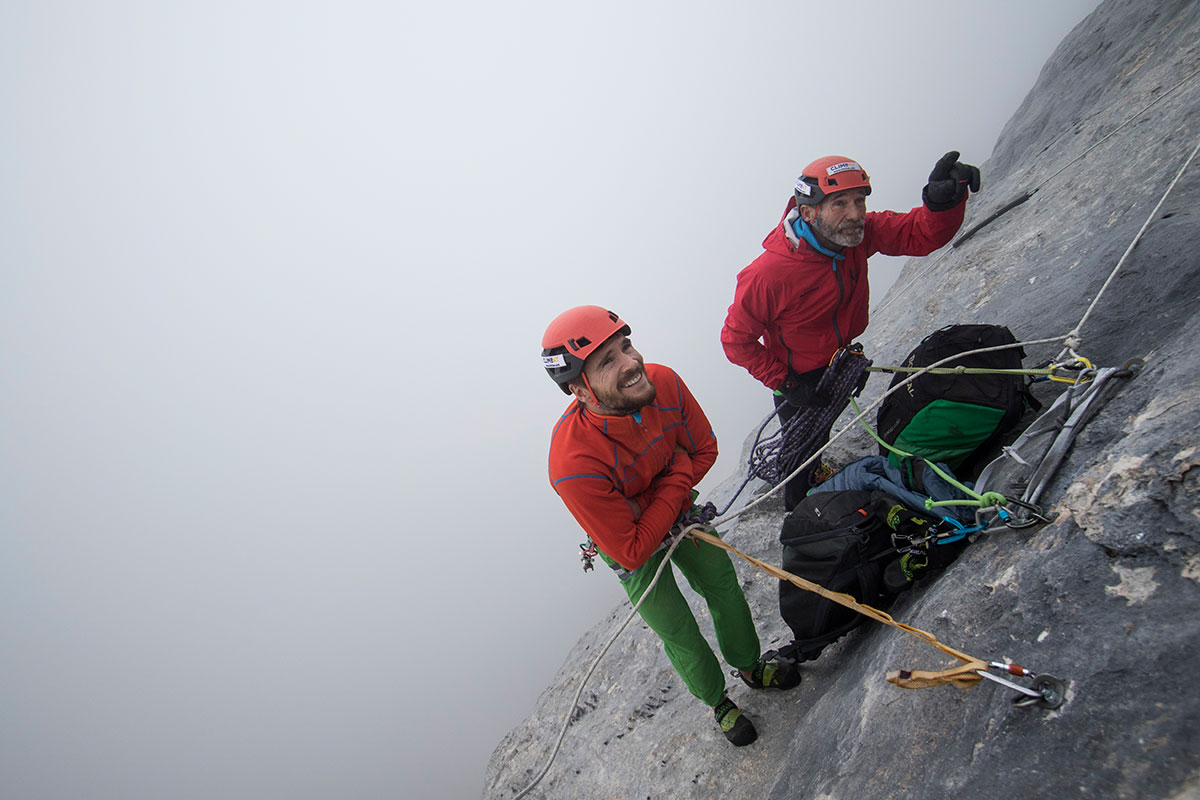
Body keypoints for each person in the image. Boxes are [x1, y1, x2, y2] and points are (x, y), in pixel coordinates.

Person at [542, 305, 799, 746]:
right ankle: (718, 701)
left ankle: (751, 666)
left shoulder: (663, 383)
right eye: (607, 361)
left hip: (674, 511)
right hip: (629, 534)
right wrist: (677, 477)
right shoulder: (572, 462)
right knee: (676, 626)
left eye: (626, 347)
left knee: (723, 586)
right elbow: (631, 550)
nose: (631, 364)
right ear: (579, 391)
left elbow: (705, 449)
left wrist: (674, 484)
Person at [721, 152, 981, 510]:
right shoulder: (771, 272)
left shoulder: (856, 236)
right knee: (801, 452)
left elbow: (918, 235)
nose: (855, 213)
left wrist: (943, 203)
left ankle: (817, 475)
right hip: (798, 375)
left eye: (859, 200)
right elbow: (735, 339)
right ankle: (801, 515)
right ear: (810, 211)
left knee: (821, 435)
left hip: (839, 360)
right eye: (839, 203)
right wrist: (787, 383)